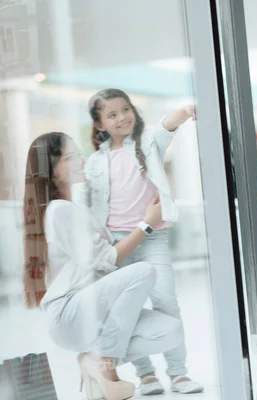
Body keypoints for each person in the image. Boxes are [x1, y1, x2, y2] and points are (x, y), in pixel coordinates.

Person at [23, 132, 184, 400]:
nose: (81, 161)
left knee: (171, 331)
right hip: (70, 313)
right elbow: (109, 259)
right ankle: (107, 363)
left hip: (96, 311)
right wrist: (147, 224)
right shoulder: (59, 211)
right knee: (143, 271)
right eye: (71, 157)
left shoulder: (73, 209)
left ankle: (96, 359)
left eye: (79, 154)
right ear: (51, 171)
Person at [85, 88, 202, 395]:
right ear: (99, 125)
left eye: (125, 110)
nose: (122, 117)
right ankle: (146, 374)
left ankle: (179, 373)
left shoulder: (148, 142)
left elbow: (168, 124)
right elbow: (93, 208)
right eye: (112, 115)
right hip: (118, 245)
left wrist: (188, 110)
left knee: (166, 301)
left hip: (153, 240)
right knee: (128, 310)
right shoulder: (95, 163)